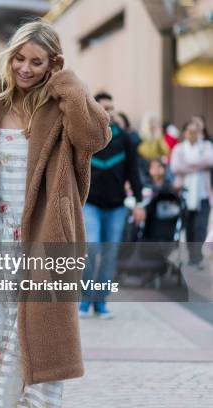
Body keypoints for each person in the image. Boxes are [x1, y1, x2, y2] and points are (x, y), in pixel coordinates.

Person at [0, 20, 111, 407]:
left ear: (52, 64)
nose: (24, 68)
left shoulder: (62, 106)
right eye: (19, 58)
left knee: (39, 346)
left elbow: (94, 137)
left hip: (44, 239)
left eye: (36, 62)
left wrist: (69, 84)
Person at [80, 91, 145, 319]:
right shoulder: (85, 137)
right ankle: (85, 299)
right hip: (90, 204)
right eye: (104, 107)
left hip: (116, 207)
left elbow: (133, 173)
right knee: (92, 248)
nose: (109, 111)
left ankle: (101, 301)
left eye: (111, 107)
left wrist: (139, 202)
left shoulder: (125, 139)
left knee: (109, 254)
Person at [170, 117, 213, 268]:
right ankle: (191, 255)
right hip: (184, 194)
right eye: (189, 131)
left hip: (203, 194)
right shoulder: (179, 149)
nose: (192, 134)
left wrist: (188, 165)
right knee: (188, 227)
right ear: (185, 133)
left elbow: (210, 160)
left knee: (200, 227)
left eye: (196, 131)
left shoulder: (206, 146)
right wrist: (198, 166)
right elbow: (176, 167)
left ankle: (197, 257)